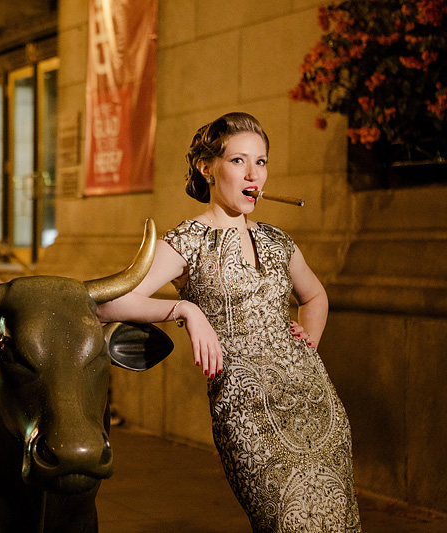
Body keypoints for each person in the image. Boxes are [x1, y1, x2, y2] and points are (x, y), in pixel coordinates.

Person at [97, 112, 361, 532]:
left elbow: (315, 296)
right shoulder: (189, 240)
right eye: (239, 161)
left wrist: (306, 341)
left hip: (318, 407)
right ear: (207, 168)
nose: (254, 173)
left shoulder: (277, 240)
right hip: (248, 413)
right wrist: (184, 310)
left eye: (261, 161)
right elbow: (107, 304)